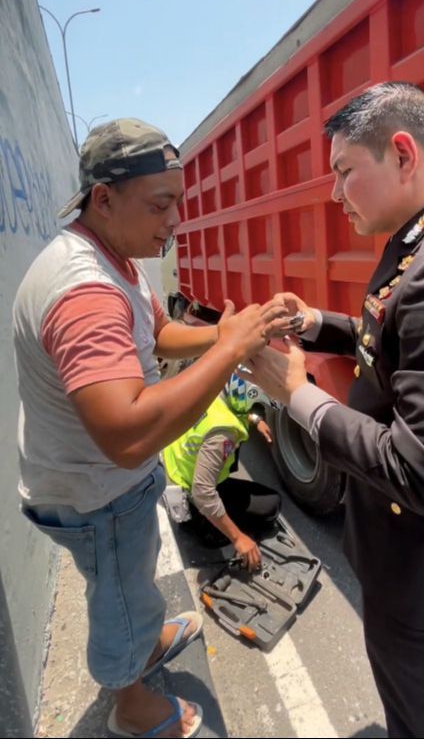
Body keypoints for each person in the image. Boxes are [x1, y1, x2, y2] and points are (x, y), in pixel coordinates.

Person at [12, 118, 288, 739]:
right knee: (117, 598)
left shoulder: (118, 258)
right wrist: (228, 353)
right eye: (159, 205)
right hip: (95, 492)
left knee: (130, 583)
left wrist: (230, 335)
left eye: (178, 204)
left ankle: (148, 636)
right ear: (103, 198)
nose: (173, 222)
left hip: (102, 483)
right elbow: (129, 436)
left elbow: (159, 334)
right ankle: (132, 706)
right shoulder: (84, 291)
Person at [245, 82, 424, 738]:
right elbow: (393, 342)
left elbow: (421, 471)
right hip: (404, 565)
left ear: (402, 154)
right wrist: (316, 322)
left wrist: (297, 394)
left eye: (345, 171)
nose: (333, 192)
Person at [163, 371, 280, 569]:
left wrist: (255, 420)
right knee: (272, 505)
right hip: (193, 501)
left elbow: (237, 404)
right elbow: (203, 494)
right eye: (254, 405)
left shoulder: (211, 387)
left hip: (177, 475)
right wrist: (238, 538)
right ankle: (210, 530)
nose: (254, 410)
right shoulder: (224, 432)